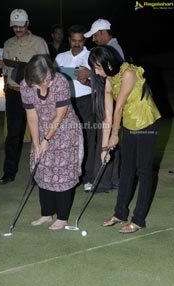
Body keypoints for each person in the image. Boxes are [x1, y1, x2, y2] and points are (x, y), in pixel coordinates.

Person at [88, 45, 161, 233]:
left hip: (146, 122)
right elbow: (108, 115)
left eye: (97, 67)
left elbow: (119, 107)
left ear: (108, 62)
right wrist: (104, 149)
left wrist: (114, 136)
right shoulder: (109, 79)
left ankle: (138, 220)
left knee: (143, 170)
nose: (96, 72)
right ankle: (120, 213)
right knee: (126, 169)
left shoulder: (128, 73)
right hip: (130, 124)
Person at [20, 54, 84, 230]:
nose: (47, 83)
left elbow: (60, 114)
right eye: (42, 80)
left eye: (48, 78)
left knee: (62, 173)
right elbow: (31, 116)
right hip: (41, 129)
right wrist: (36, 142)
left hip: (65, 131)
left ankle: (62, 217)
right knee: (43, 170)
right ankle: (46, 213)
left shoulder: (60, 82)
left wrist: (47, 139)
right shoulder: (26, 86)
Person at [0, 8, 49, 184]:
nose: (17, 29)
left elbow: (46, 68)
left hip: (33, 92)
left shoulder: (39, 43)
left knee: (38, 133)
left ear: (27, 24)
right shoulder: (8, 43)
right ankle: (9, 173)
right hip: (13, 92)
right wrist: (0, 66)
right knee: (13, 134)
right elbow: (5, 71)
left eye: (20, 26)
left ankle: (39, 172)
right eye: (14, 27)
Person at [78, 19, 126, 193]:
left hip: (112, 105)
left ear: (103, 32)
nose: (94, 40)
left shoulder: (113, 51)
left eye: (95, 36)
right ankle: (111, 180)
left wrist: (90, 75)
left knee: (108, 142)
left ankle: (104, 182)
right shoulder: (111, 49)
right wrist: (90, 79)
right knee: (110, 143)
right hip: (107, 102)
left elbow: (113, 86)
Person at [55, 24, 95, 192]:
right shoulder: (60, 57)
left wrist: (90, 76)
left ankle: (89, 177)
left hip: (87, 102)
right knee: (66, 140)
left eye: (80, 41)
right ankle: (69, 176)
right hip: (66, 103)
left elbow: (104, 80)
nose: (77, 44)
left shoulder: (92, 56)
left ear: (84, 40)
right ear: (69, 40)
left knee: (87, 139)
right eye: (74, 40)